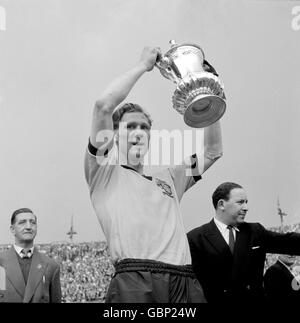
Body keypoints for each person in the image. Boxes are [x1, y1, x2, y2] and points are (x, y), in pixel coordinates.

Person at [84, 46, 223, 302]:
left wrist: (208, 96)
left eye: (145, 127)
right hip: (135, 281)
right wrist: (142, 66)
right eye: (131, 126)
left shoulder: (171, 178)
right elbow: (103, 106)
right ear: (113, 135)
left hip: (184, 280)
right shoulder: (103, 173)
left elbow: (212, 151)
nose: (139, 132)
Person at [187, 182, 300, 303]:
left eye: (246, 202)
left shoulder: (255, 231)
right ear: (221, 204)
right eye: (240, 202)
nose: (246, 207)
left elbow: (288, 242)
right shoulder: (195, 238)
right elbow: (192, 287)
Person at [0, 208, 61, 303]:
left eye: (32, 222)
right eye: (22, 222)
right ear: (12, 229)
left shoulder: (51, 266)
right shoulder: (1, 263)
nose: (28, 226)